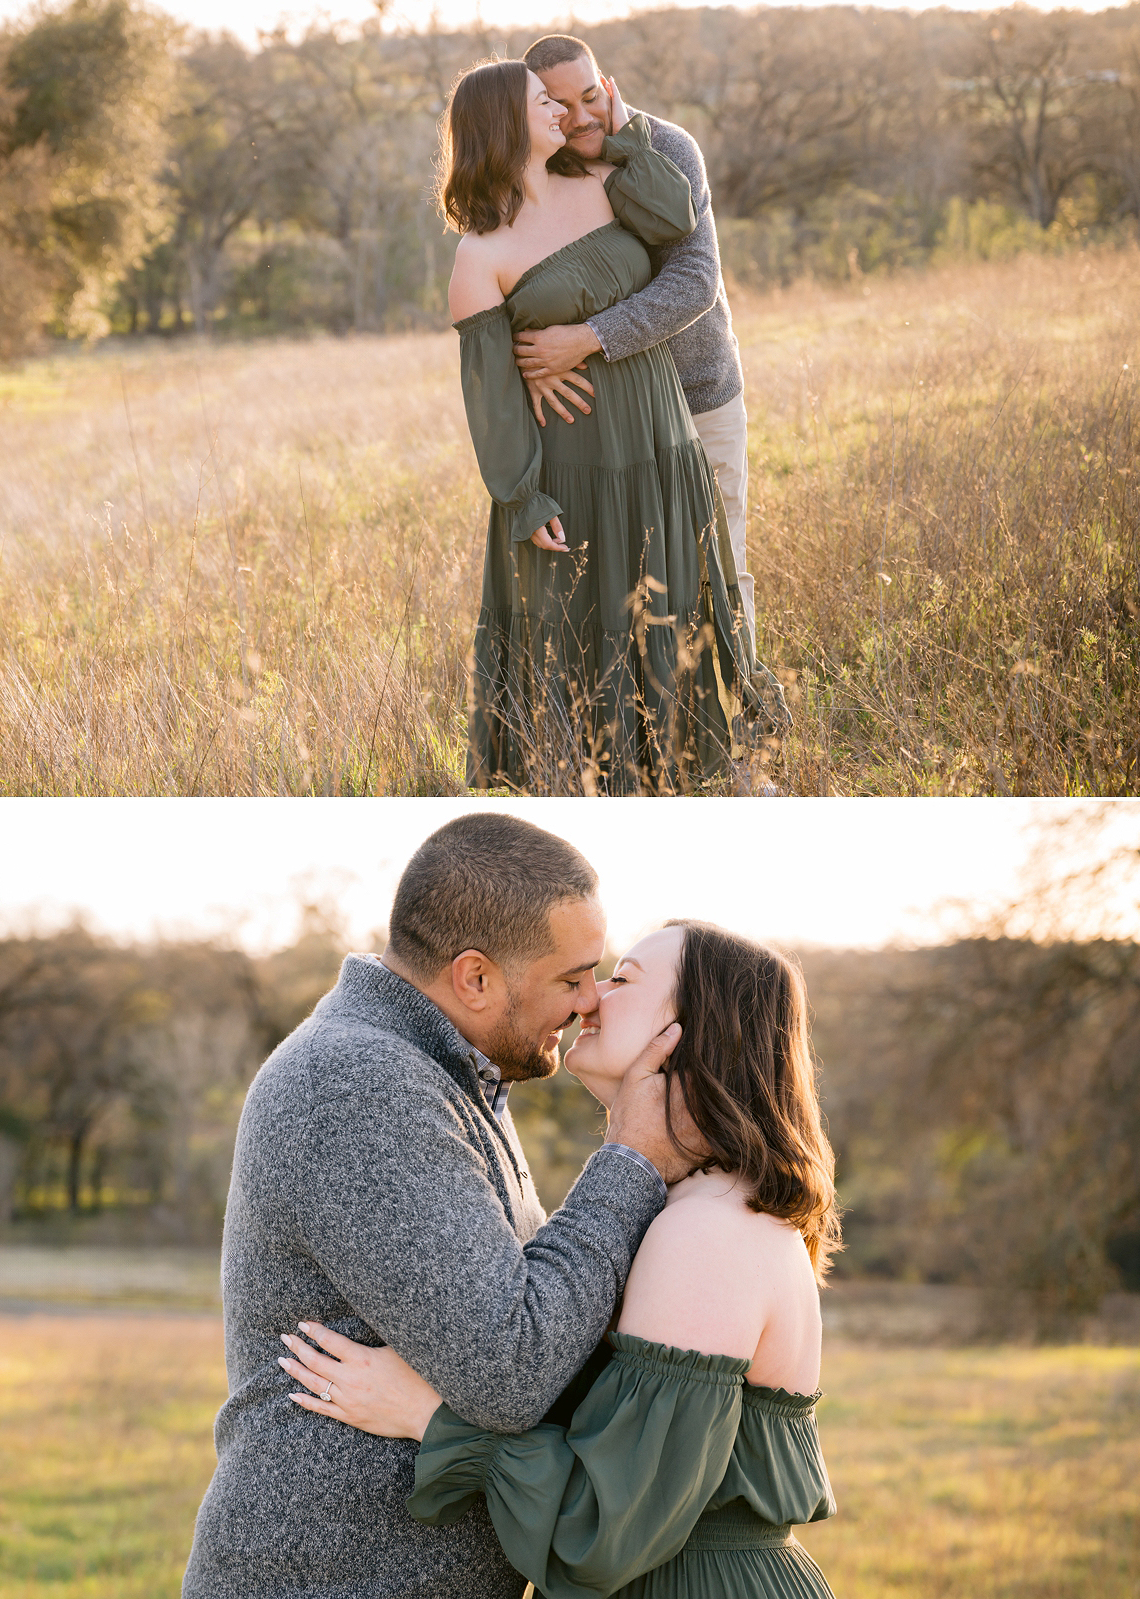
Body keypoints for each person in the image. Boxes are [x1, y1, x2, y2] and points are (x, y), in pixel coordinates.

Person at [182, 813, 699, 1599]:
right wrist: (628, 1161)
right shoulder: (358, 1082)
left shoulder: (446, 1074)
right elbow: (511, 1367)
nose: (590, 1000)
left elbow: (528, 1328)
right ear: (476, 978)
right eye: (571, 977)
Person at [279, 921, 842, 1599]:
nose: (590, 998)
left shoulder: (707, 1230)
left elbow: (602, 1530)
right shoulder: (691, 1210)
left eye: (623, 978)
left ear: (693, 1030)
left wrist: (426, 1414)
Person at [443, 59, 787, 795]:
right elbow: (490, 395)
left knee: (683, 597)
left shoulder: (607, 181)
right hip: (580, 457)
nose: (566, 116)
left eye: (576, 100)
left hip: (666, 437)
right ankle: (603, 777)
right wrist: (523, 496)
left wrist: (630, 141)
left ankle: (718, 765)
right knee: (592, 619)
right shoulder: (480, 253)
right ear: (506, 122)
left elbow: (678, 231)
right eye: (546, 103)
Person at [518, 35, 760, 648]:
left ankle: (744, 717)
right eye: (560, 105)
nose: (580, 118)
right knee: (636, 581)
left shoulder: (670, 147)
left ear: (608, 85)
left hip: (699, 394)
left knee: (716, 567)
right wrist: (534, 357)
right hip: (612, 419)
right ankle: (651, 729)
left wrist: (588, 338)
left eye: (590, 96)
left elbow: (694, 282)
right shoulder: (543, 169)